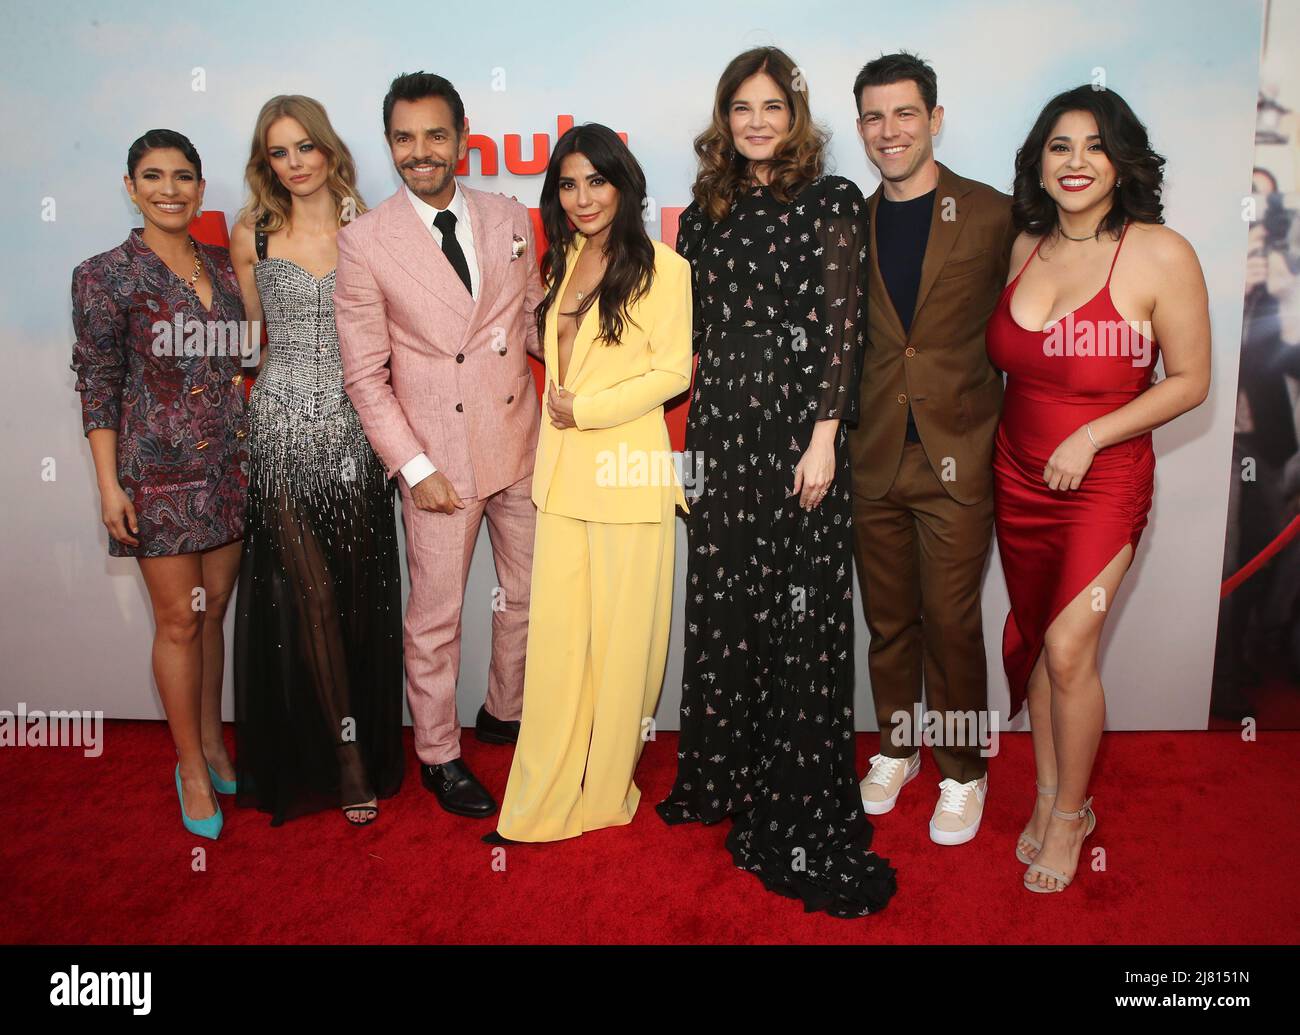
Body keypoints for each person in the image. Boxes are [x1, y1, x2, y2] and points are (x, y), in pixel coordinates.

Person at [656, 46, 896, 918]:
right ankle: (725, 774)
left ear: (795, 117)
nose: (756, 122)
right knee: (728, 602)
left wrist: (825, 437)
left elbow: (842, 328)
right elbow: (682, 336)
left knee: (799, 608)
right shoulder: (703, 215)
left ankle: (791, 788)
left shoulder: (830, 200)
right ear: (724, 119)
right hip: (722, 426)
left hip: (800, 431)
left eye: (772, 107)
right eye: (741, 107)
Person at [986, 86, 1210, 892]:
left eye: (1095, 146)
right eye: (1059, 146)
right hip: (1017, 475)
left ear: (1122, 161)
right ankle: (1050, 793)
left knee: (1069, 646)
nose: (1076, 162)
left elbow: (1190, 381)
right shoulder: (1025, 246)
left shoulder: (1161, 253)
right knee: (1043, 641)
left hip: (1104, 481)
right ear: (1039, 163)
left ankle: (1073, 815)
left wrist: (1092, 434)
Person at [334, 72, 544, 818]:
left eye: (434, 135)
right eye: (403, 138)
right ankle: (438, 754)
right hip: (437, 462)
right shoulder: (365, 241)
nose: (419, 151)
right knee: (436, 617)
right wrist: (413, 466)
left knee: (528, 595)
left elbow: (529, 320)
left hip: (519, 441)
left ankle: (504, 711)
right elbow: (364, 376)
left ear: (461, 138)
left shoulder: (508, 215)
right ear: (389, 142)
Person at [486, 125, 691, 845]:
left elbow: (673, 371)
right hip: (563, 478)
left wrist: (589, 409)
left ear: (624, 184)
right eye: (569, 184)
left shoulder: (666, 268)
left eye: (596, 181)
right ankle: (542, 791)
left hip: (628, 473)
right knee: (559, 647)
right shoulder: (562, 260)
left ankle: (603, 792)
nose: (583, 197)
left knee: (623, 644)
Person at [847, 52, 1016, 845]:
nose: (891, 130)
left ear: (936, 119)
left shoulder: (992, 214)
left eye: (906, 113)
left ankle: (964, 769)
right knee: (889, 622)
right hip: (874, 453)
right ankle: (898, 746)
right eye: (875, 116)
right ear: (861, 128)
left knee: (951, 622)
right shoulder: (849, 222)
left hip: (958, 453)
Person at [230, 95, 404, 827]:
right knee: (312, 597)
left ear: (329, 149)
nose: (295, 163)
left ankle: (359, 730)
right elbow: (249, 345)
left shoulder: (372, 228)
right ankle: (345, 757)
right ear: (265, 162)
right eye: (279, 151)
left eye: (305, 146)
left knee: (359, 598)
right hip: (278, 433)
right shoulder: (253, 234)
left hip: (356, 431)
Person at [70, 129, 248, 839]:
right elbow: (98, 383)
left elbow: (245, 356)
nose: (169, 189)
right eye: (153, 176)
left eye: (182, 177)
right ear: (130, 186)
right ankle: (191, 769)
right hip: (155, 475)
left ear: (200, 189)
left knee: (212, 613)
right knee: (178, 622)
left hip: (229, 469)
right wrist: (108, 485)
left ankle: (213, 742)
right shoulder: (104, 275)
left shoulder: (225, 266)